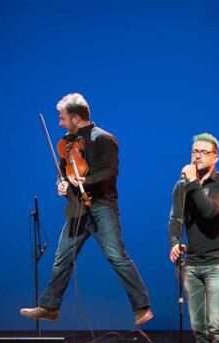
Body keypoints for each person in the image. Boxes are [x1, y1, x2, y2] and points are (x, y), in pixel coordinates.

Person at [20, 93, 154, 327]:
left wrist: (83, 180)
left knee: (117, 256)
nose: (60, 123)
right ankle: (50, 307)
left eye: (63, 118)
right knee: (61, 258)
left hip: (102, 207)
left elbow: (109, 172)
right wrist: (61, 184)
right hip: (76, 208)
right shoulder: (67, 143)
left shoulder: (103, 138)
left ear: (76, 118)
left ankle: (142, 307)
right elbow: (63, 174)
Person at [168, 133, 219, 343]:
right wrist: (175, 242)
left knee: (216, 325)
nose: (197, 156)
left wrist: (194, 183)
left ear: (215, 157)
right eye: (194, 152)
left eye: (203, 152)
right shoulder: (181, 186)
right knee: (198, 328)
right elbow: (175, 219)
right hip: (193, 264)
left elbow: (209, 211)